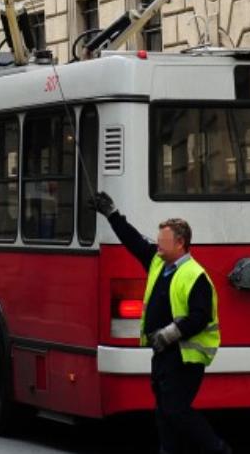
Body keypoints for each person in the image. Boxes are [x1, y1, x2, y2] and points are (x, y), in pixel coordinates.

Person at [95, 192, 230, 454]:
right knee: (164, 413)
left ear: (180, 243)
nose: (157, 245)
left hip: (185, 356)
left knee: (175, 410)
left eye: (163, 241)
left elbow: (200, 317)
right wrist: (112, 215)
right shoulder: (159, 263)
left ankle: (218, 449)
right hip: (164, 354)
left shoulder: (195, 275)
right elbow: (134, 242)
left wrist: (169, 334)